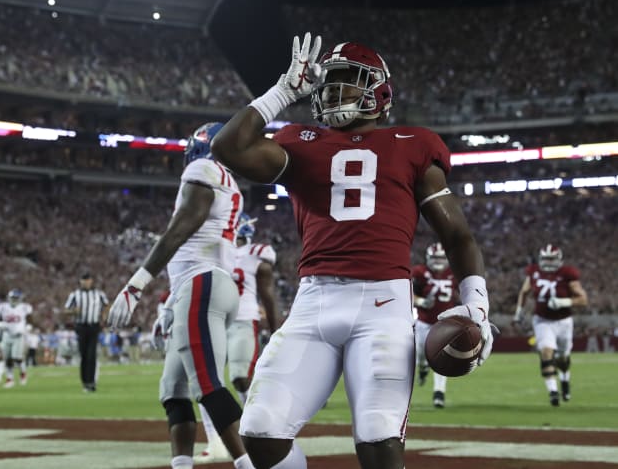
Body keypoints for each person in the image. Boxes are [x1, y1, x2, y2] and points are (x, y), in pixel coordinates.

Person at [210, 33, 495, 469]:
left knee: (379, 446)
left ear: (379, 92)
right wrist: (281, 92)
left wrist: (476, 305)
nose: (332, 91)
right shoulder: (298, 140)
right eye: (328, 82)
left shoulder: (413, 143)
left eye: (346, 81)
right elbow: (227, 148)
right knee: (261, 432)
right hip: (313, 302)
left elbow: (457, 236)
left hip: (382, 306)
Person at [108, 122, 255, 469]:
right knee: (173, 390)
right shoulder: (227, 180)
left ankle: (251, 464)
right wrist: (172, 303)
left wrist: (136, 284)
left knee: (207, 385)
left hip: (203, 284)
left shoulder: (203, 168)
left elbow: (180, 229)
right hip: (199, 285)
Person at [196, 213, 279, 463]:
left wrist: (275, 329)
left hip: (243, 319)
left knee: (240, 378)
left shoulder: (257, 253)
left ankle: (254, 428)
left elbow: (267, 292)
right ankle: (214, 442)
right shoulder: (213, 251)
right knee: (206, 381)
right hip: (214, 319)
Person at [513, 244, 588, 406]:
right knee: (546, 352)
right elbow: (524, 291)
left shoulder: (567, 274)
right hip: (542, 320)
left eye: (551, 259)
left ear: (559, 259)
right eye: (546, 259)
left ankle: (565, 378)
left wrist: (564, 301)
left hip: (563, 321)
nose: (548, 262)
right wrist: (519, 311)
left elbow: (583, 299)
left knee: (562, 359)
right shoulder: (533, 272)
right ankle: (553, 392)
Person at [412, 242, 459, 408]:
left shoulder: (453, 273)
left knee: (441, 357)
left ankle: (439, 393)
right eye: (435, 258)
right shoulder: (420, 272)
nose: (438, 261)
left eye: (441, 257)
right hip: (424, 321)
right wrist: (421, 301)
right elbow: (408, 293)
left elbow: (462, 294)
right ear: (428, 258)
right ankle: (423, 368)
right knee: (421, 355)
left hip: (444, 322)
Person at [64, 272, 109, 392]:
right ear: (80, 281)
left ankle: (91, 382)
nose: (86, 282)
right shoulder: (75, 295)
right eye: (84, 280)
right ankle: (85, 382)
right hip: (81, 327)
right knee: (83, 355)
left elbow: (107, 305)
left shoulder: (99, 294)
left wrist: (103, 315)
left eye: (88, 280)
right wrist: (74, 311)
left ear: (91, 281)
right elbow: (66, 310)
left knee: (91, 355)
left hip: (94, 326)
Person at [0, 289, 34, 388]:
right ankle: (10, 379)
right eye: (12, 298)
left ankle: (23, 373)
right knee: (7, 359)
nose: (14, 300)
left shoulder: (24, 307)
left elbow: (31, 319)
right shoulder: (3, 307)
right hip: (6, 334)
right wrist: (0, 324)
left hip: (18, 335)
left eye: (16, 298)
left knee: (17, 358)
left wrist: (29, 326)